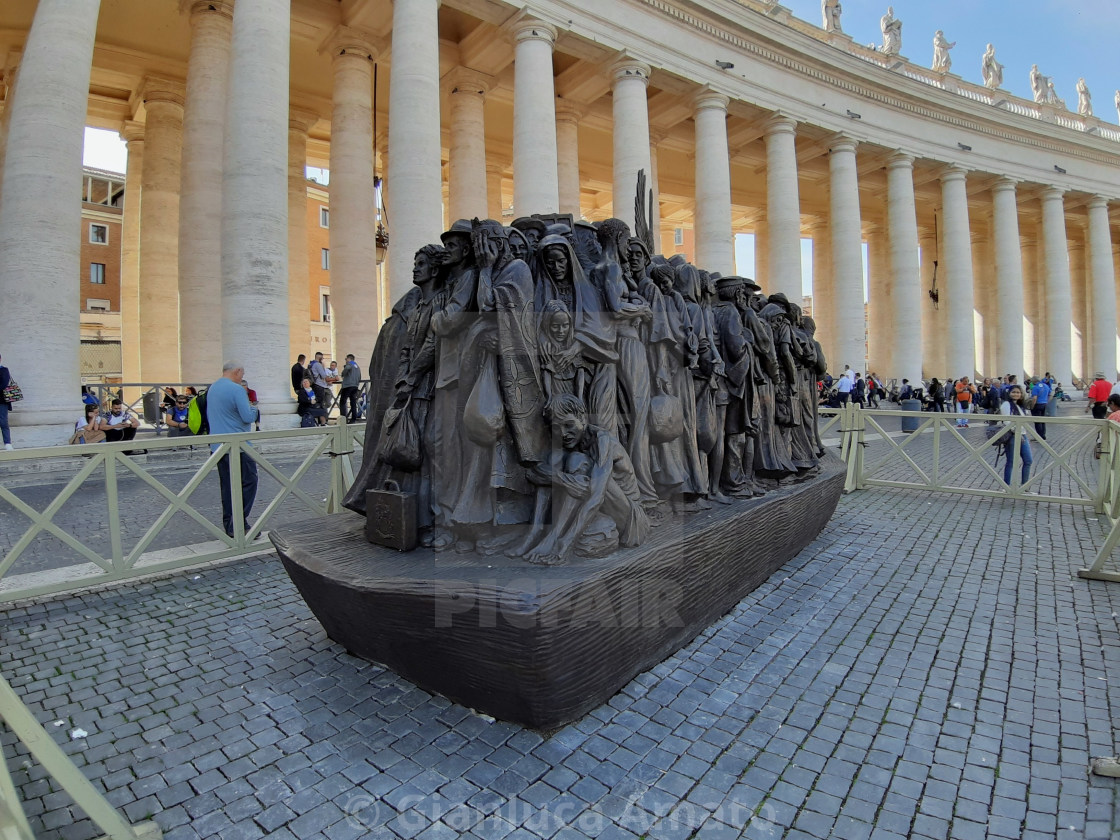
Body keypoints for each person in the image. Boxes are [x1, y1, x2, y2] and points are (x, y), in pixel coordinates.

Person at [207, 360, 260, 539]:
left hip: (218, 446)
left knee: (227, 486)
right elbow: (247, 416)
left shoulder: (213, 388)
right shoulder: (237, 389)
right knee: (249, 481)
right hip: (239, 447)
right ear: (237, 371)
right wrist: (255, 410)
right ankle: (239, 523)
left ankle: (230, 525)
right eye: (242, 374)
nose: (242, 377)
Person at [998, 384, 1033, 488]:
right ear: (1009, 393)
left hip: (1023, 435)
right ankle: (1006, 487)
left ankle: (1024, 487)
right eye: (1013, 392)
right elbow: (1007, 421)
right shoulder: (1006, 405)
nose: (1016, 394)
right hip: (1012, 436)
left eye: (1018, 392)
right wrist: (1017, 433)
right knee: (1011, 462)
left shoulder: (1020, 405)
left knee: (1028, 460)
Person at [338, 354, 362, 422]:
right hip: (355, 386)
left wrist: (343, 374)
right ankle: (353, 418)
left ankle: (343, 419)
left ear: (349, 359)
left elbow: (347, 368)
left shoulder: (349, 364)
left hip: (347, 385)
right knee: (353, 402)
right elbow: (360, 376)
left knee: (343, 401)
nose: (345, 360)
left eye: (346, 359)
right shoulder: (357, 366)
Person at [307, 352, 332, 416]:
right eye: (322, 358)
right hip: (319, 385)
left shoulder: (311, 364)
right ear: (320, 357)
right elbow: (323, 375)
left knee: (317, 402)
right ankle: (323, 419)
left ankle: (320, 418)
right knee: (321, 403)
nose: (323, 359)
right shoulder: (318, 364)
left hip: (314, 385)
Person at [0, 353, 13, 450]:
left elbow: (4, 384)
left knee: (3, 422)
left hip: (2, 401)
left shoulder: (4, 370)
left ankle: (7, 443)